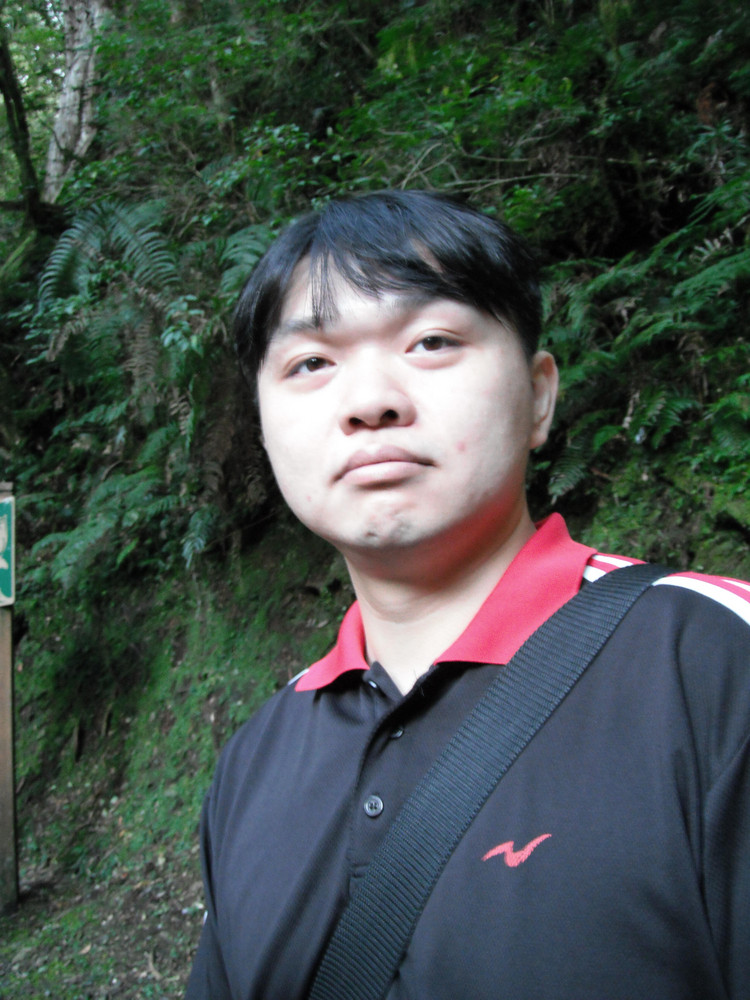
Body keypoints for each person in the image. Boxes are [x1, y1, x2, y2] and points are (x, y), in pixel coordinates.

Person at [185, 190, 750, 1000]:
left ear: (539, 396)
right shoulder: (255, 760)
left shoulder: (710, 663)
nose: (370, 402)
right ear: (264, 426)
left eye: (432, 341)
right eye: (311, 363)